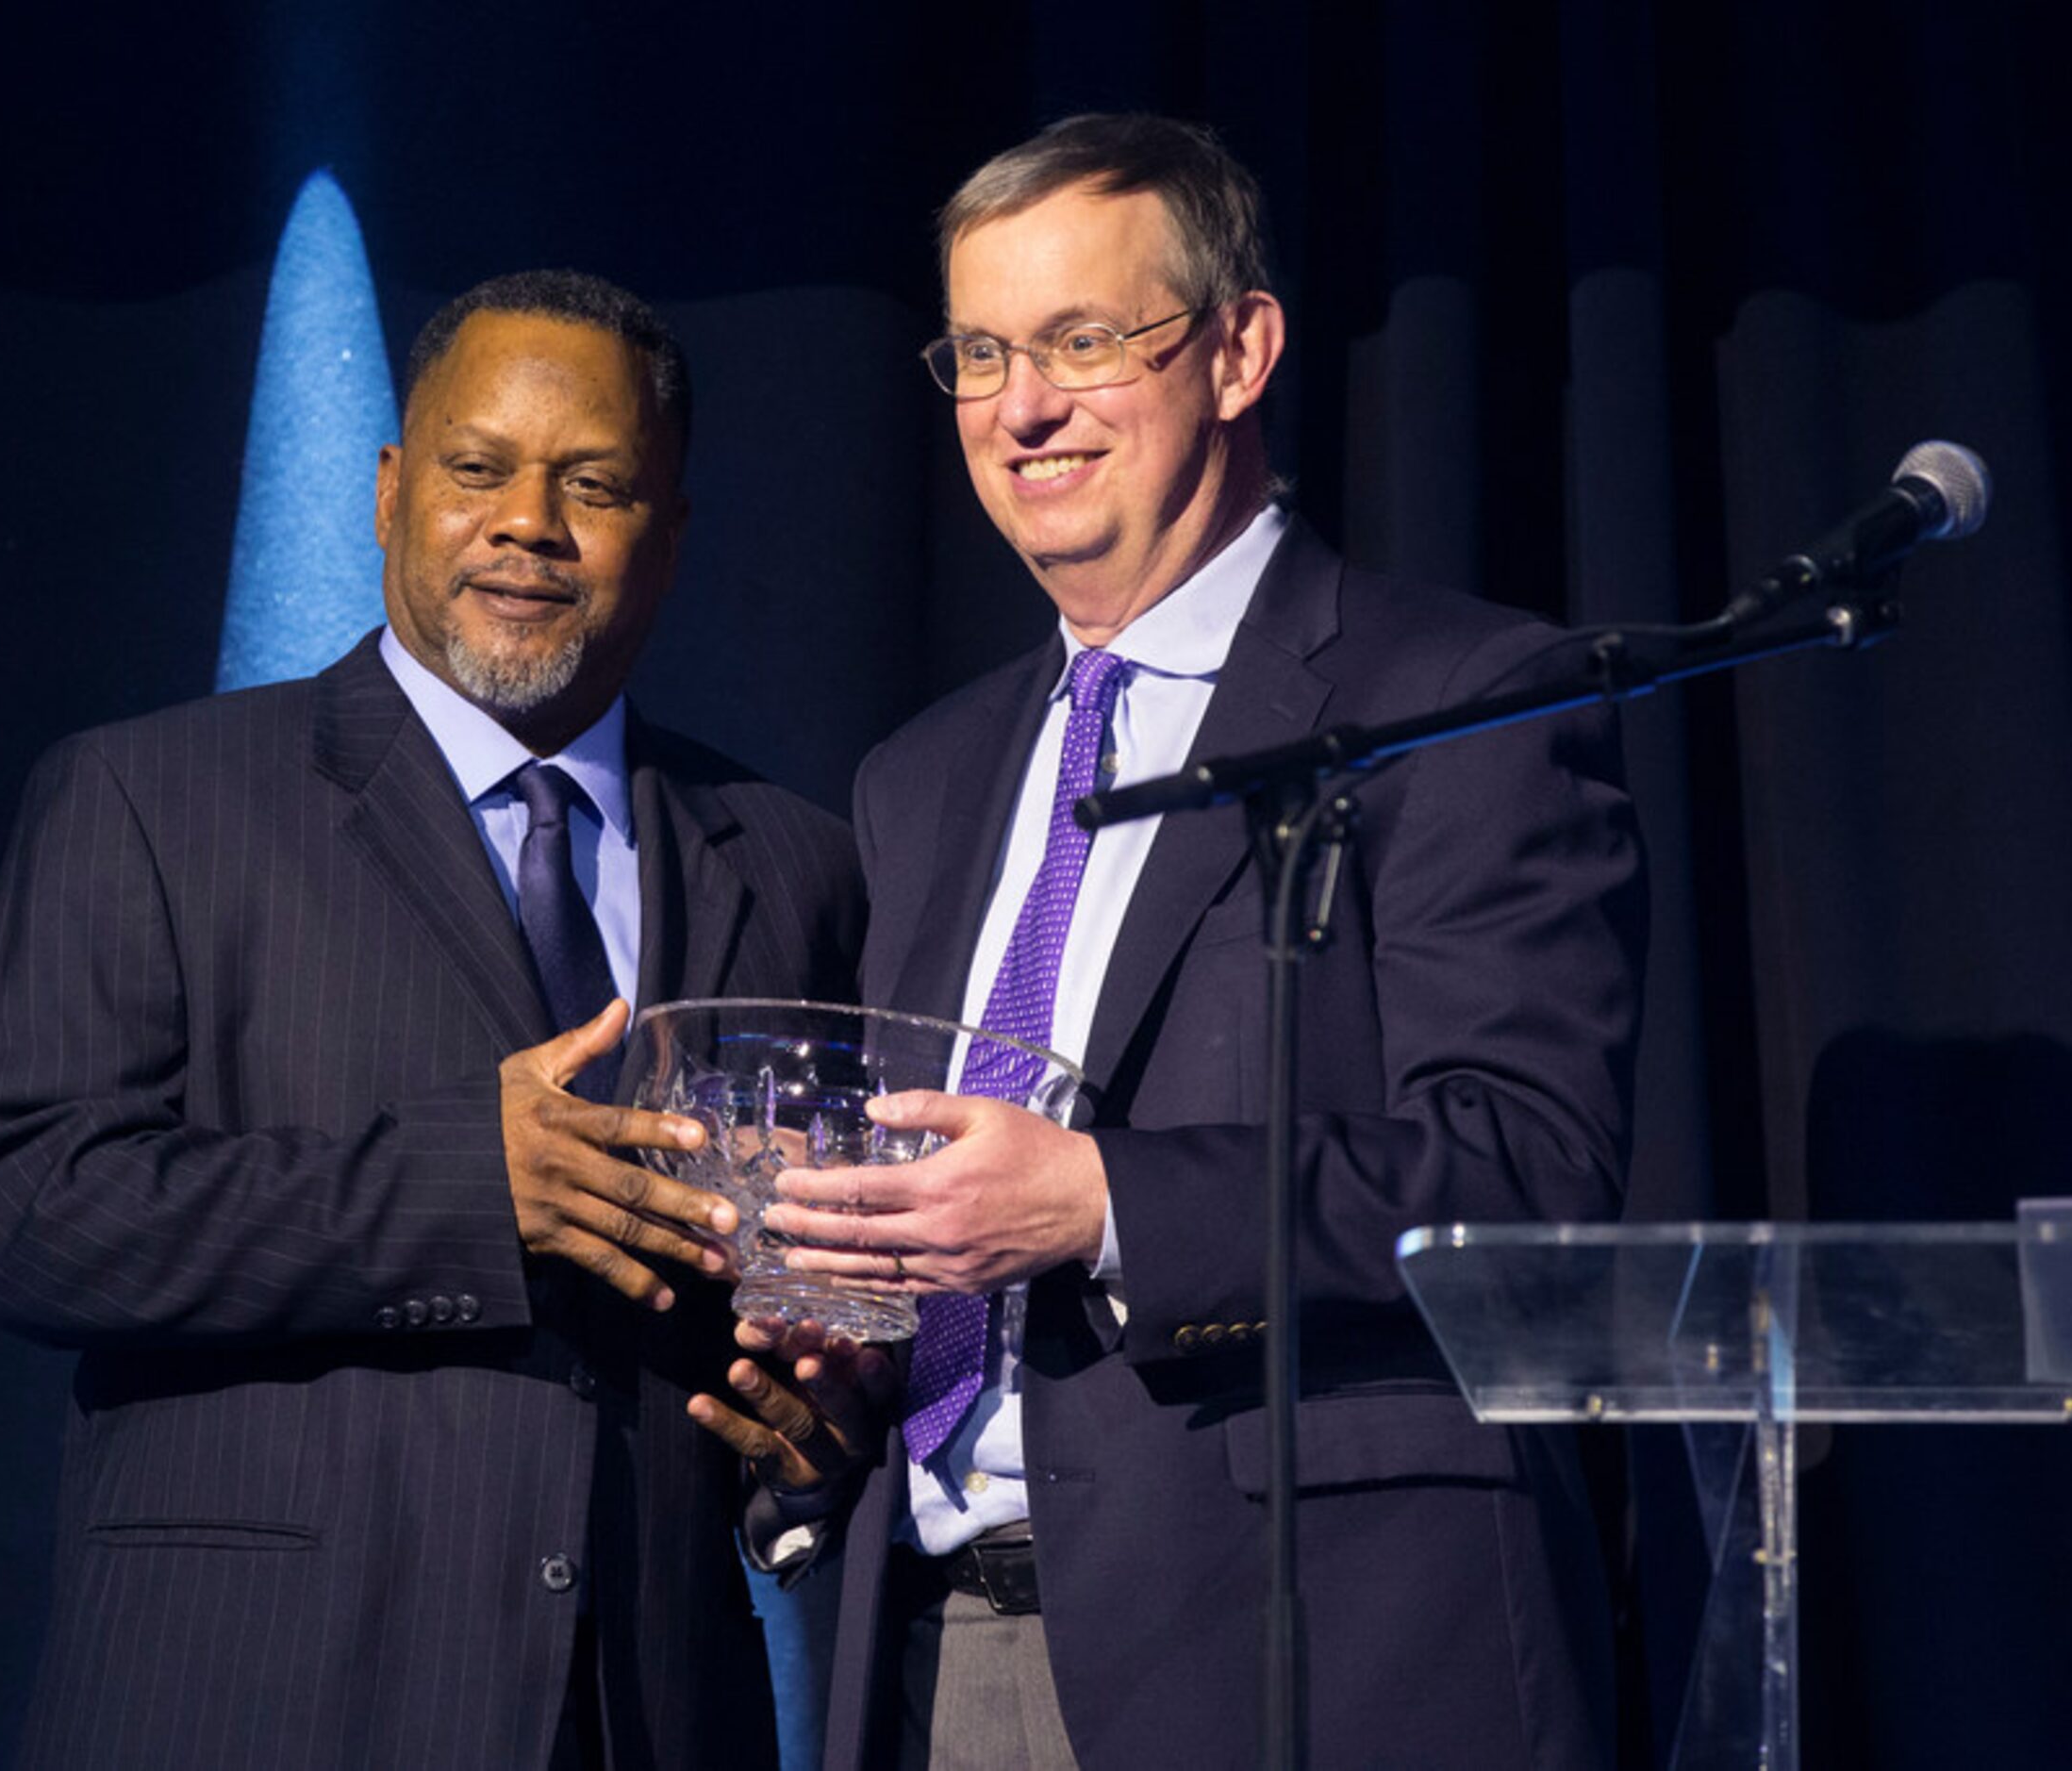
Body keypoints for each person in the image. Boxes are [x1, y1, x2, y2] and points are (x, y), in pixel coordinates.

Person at [703, 115, 1647, 1768]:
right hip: (937, 1655)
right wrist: (841, 1353)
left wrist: (1100, 1200)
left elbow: (1529, 1170)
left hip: (1318, 1650)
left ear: (1240, 349)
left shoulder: (1463, 698)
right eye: (982, 353)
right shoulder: (921, 775)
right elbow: (952, 1243)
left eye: (1084, 341)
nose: (1023, 408)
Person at [0, 269, 863, 1770]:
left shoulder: (792, 856)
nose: (527, 521)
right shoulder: (151, 796)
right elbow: (32, 1208)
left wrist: (811, 1443)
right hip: (267, 1701)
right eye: (476, 468)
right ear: (387, 491)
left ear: (674, 533)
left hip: (645, 1714)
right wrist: (462, 1191)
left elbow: (801, 1295)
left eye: (595, 483)